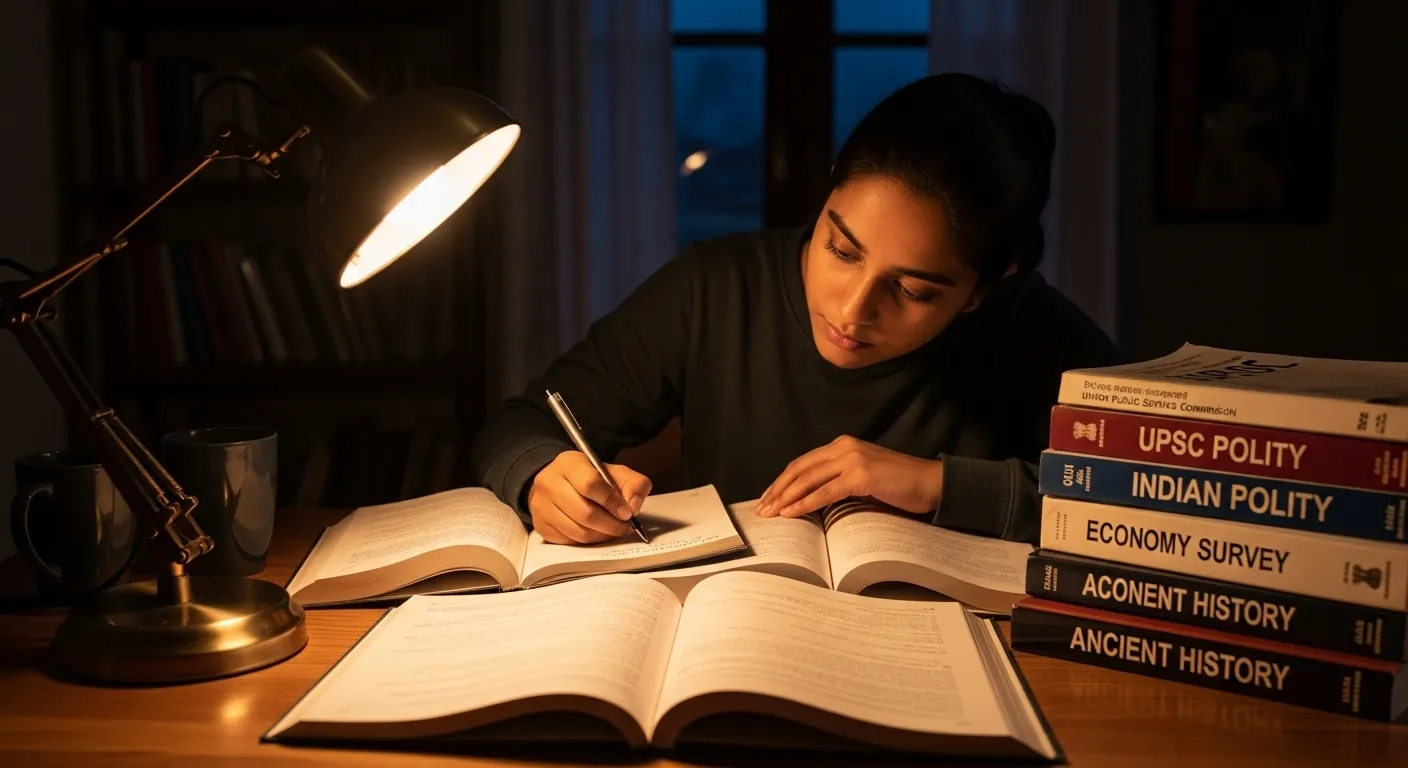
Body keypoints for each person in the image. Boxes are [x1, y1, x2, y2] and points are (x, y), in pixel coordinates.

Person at [469, 73, 1123, 546]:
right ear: (830, 186)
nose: (852, 307)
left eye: (914, 291)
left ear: (986, 287)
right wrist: (541, 477)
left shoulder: (1026, 328)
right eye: (840, 248)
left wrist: (934, 484)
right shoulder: (715, 288)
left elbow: (1166, 504)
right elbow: (520, 425)